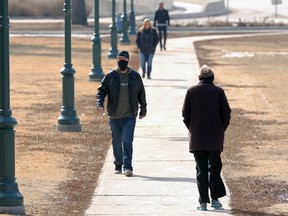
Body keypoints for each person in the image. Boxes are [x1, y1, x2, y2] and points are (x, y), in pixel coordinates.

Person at [181, 65, 231, 211]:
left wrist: (192, 128)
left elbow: (185, 114)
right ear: (212, 77)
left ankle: (203, 202)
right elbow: (226, 114)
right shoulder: (219, 92)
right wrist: (221, 129)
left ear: (200, 78)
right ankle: (215, 199)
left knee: (201, 170)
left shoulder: (191, 91)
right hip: (215, 137)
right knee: (214, 168)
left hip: (197, 138)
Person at [96, 50, 147, 177]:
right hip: (114, 115)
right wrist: (100, 103)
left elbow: (141, 93)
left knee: (127, 140)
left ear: (128, 61)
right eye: (119, 60)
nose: (121, 62)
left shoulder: (135, 76)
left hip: (129, 115)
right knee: (117, 142)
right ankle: (118, 163)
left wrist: (143, 109)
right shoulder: (110, 76)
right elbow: (101, 90)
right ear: (117, 60)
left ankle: (128, 166)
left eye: (124, 60)